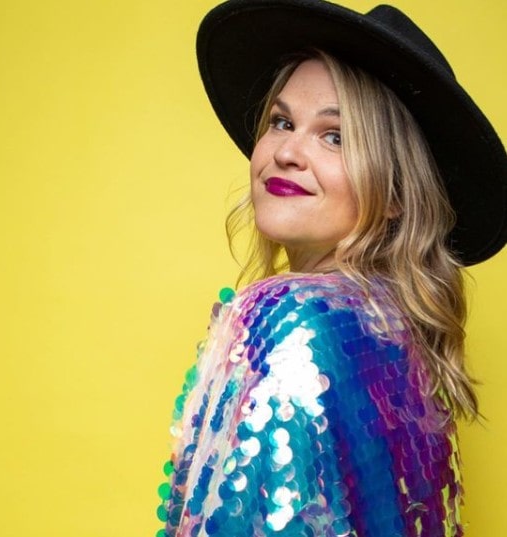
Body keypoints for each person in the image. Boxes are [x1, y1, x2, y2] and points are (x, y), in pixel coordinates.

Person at [156, 1, 507, 535]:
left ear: (396, 193)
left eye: (334, 136)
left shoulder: (286, 316)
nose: (287, 152)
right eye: (281, 122)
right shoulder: (396, 330)